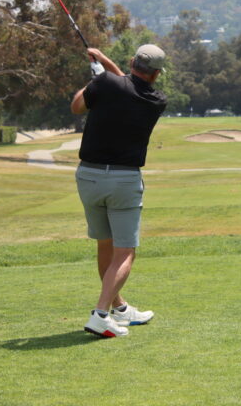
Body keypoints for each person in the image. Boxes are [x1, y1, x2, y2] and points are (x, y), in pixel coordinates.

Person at [70, 44, 168, 338]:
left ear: (132, 61)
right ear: (157, 74)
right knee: (125, 252)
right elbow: (126, 86)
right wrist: (103, 66)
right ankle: (101, 315)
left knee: (106, 246)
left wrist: (95, 76)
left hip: (88, 177)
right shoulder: (156, 99)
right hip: (123, 181)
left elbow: (77, 106)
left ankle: (121, 310)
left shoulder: (105, 84)